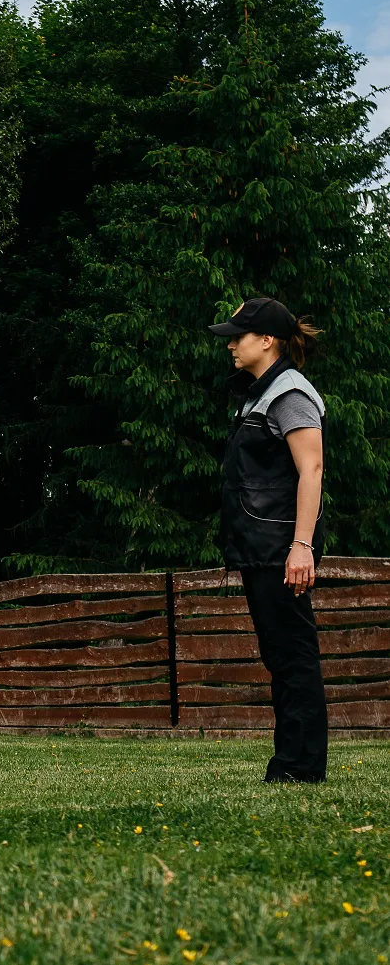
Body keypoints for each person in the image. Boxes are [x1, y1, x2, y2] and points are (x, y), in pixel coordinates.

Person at [209, 297, 327, 783]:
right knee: (280, 655)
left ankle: (301, 766)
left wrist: (301, 546)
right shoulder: (259, 392)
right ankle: (290, 763)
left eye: (239, 335)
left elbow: (312, 469)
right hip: (263, 548)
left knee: (293, 654)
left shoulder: (290, 393)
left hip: (283, 548)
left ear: (268, 340)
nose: (231, 344)